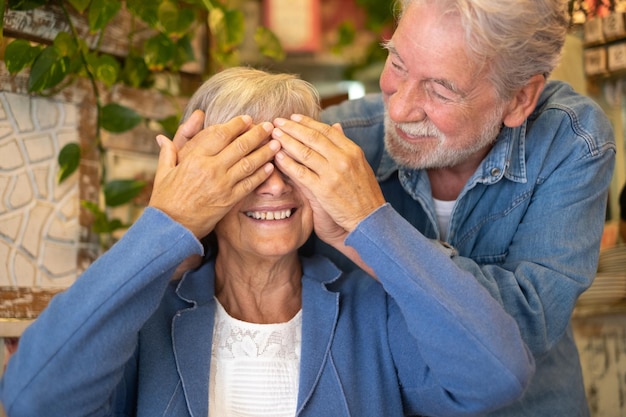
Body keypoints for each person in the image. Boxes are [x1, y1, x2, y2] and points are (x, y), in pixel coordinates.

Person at [0, 67, 534, 417]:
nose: (275, 184)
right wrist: (166, 230)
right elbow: (31, 399)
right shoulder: (147, 318)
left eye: (293, 160)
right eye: (244, 164)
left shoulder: (374, 312)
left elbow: (497, 377)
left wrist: (368, 228)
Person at [259, 1, 617, 416]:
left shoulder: (571, 140)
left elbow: (522, 330)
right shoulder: (347, 137)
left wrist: (369, 229)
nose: (398, 108)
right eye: (396, 61)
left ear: (520, 99)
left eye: (440, 89)